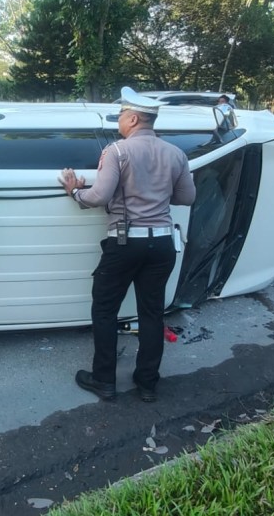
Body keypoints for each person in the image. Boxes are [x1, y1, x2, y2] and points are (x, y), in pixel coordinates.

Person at [59, 86, 196, 403]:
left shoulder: (117, 151)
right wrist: (156, 194)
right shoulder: (176, 154)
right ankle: (147, 383)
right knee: (152, 313)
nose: (119, 119)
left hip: (125, 243)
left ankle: (104, 380)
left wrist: (75, 192)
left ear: (133, 119)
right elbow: (187, 197)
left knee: (105, 309)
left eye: (121, 114)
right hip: (162, 244)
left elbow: (99, 196)